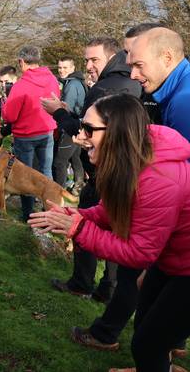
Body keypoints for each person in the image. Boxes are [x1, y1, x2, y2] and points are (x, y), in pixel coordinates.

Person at [29, 95, 190, 372]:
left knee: (147, 344)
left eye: (88, 129)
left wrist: (79, 229)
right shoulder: (134, 159)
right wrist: (75, 216)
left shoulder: (160, 179)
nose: (80, 137)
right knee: (146, 325)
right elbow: (110, 212)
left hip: (185, 267)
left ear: (116, 132)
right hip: (172, 259)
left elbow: (140, 251)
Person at [43, 37, 141, 305]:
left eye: (93, 59)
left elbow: (87, 133)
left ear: (111, 56)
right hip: (127, 173)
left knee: (90, 222)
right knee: (117, 226)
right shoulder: (135, 82)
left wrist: (60, 114)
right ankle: (108, 287)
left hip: (107, 173)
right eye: (85, 60)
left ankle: (81, 282)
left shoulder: (105, 88)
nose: (87, 66)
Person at [1, 45, 58, 222]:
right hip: (47, 131)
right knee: (46, 172)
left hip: (26, 135)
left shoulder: (21, 86)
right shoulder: (52, 80)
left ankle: (28, 214)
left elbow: (10, 115)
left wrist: (5, 104)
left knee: (25, 176)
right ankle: (50, 211)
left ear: (22, 62)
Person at [128, 27, 190, 141]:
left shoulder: (184, 101)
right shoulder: (178, 89)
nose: (133, 75)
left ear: (167, 58)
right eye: (131, 67)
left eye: (139, 65)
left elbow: (183, 157)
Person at [53, 57, 87, 189]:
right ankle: (79, 183)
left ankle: (58, 191)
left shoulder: (72, 85)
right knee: (75, 157)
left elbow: (67, 108)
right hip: (78, 124)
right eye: (60, 67)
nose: (61, 70)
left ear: (72, 68)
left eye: (65, 67)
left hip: (71, 126)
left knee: (60, 162)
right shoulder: (76, 81)